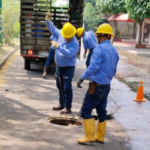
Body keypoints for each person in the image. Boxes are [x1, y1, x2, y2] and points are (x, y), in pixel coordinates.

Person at [77, 23, 119, 144]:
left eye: (98, 36)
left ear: (100, 36)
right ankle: (100, 137)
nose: (97, 39)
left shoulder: (99, 49)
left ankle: (90, 136)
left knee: (85, 111)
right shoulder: (114, 51)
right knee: (101, 111)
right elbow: (114, 71)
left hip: (97, 87)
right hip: (106, 86)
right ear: (109, 36)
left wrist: (82, 78)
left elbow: (93, 68)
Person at [45, 12, 79, 114]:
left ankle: (68, 107)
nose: (66, 38)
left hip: (68, 68)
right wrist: (48, 20)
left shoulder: (75, 43)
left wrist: (59, 47)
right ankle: (61, 104)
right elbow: (53, 29)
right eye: (65, 36)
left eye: (68, 37)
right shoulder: (61, 34)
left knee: (67, 88)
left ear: (72, 34)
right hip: (59, 67)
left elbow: (69, 54)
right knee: (59, 86)